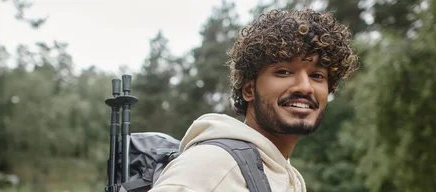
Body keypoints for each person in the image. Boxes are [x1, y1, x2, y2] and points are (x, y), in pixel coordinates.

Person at [151, 8, 358, 192]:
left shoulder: (286, 175)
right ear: (249, 89)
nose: (305, 87)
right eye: (284, 71)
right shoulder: (213, 165)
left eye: (317, 76)